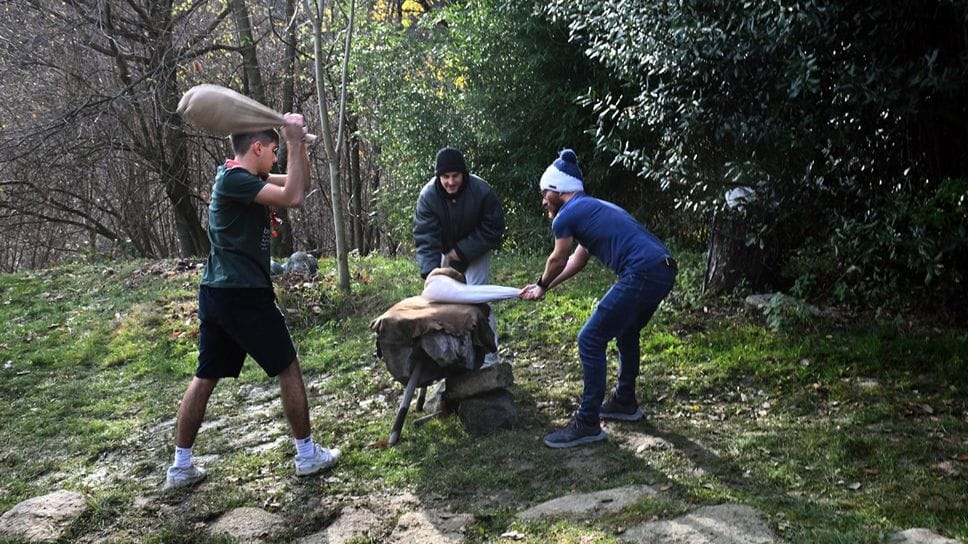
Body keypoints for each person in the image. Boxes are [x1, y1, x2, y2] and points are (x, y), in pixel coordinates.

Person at [164, 114, 340, 489]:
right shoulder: (233, 179)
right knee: (288, 368)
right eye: (273, 151)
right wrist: (292, 142)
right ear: (257, 147)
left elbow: (300, 187)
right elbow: (293, 196)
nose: (276, 159)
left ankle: (181, 467)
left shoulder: (242, 178)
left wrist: (299, 146)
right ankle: (307, 455)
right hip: (243, 294)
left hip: (218, 293)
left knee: (205, 376)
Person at [520, 149, 676, 449]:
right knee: (626, 331)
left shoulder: (567, 215)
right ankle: (625, 401)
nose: (543, 201)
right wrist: (545, 287)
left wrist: (541, 284)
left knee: (590, 338)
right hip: (663, 269)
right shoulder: (590, 209)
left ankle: (588, 421)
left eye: (544, 194)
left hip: (641, 271)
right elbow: (576, 262)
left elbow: (558, 256)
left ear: (557, 190)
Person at [413, 147, 505, 364]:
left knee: (478, 300)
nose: (451, 182)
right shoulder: (428, 197)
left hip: (476, 250)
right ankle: (454, 357)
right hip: (446, 252)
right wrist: (431, 273)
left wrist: (463, 250)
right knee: (443, 302)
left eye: (455, 176)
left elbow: (494, 228)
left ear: (463, 174)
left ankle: (490, 359)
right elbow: (426, 238)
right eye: (445, 177)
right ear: (439, 177)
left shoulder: (482, 191)